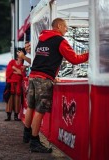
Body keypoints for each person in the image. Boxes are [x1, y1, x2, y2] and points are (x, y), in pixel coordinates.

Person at [22, 18, 89, 153]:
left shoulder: (43, 39)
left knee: (31, 106)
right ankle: (35, 142)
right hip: (44, 79)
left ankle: (26, 134)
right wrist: (90, 54)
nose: (67, 29)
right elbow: (74, 59)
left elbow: (43, 58)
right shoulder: (60, 41)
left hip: (33, 76)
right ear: (58, 26)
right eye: (65, 27)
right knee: (40, 110)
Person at [4, 55, 26, 121]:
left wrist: (15, 69)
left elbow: (23, 74)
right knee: (10, 99)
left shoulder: (23, 65)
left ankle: (16, 116)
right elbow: (8, 71)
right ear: (17, 56)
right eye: (20, 55)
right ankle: (8, 116)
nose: (21, 57)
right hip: (11, 84)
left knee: (17, 100)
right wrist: (18, 71)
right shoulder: (12, 62)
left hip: (18, 84)